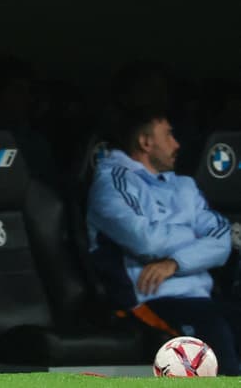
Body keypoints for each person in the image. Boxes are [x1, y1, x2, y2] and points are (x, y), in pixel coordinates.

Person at [87, 105, 241, 375]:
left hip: (201, 298)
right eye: (168, 135)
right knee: (214, 342)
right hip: (149, 300)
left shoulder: (183, 186)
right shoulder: (113, 182)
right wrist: (192, 234)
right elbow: (145, 241)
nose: (177, 143)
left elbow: (222, 240)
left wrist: (175, 263)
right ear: (146, 142)